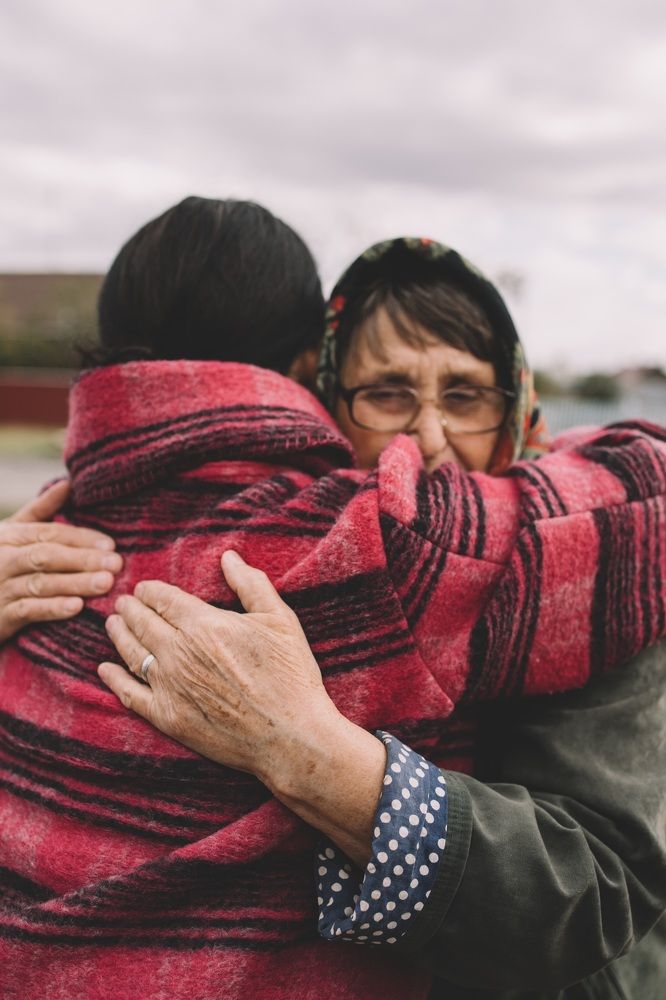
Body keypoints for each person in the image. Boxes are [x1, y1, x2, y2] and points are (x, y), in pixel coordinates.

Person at [0, 219, 663, 1000]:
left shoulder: (590, 581)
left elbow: (602, 891)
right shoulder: (89, 554)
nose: (432, 435)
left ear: (515, 397)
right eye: (387, 394)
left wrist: (316, 757)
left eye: (467, 394)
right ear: (319, 396)